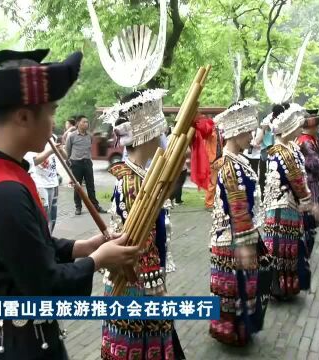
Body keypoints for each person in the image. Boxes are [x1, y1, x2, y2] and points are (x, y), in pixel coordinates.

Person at [0, 48, 139, 360]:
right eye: (52, 111)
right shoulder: (2, 191)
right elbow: (44, 284)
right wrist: (98, 260)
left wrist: (81, 247)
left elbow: (25, 249)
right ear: (24, 116)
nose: (55, 124)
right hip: (20, 346)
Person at [99, 88, 185, 359]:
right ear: (148, 131)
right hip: (138, 281)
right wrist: (155, 286)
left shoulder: (140, 176)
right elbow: (141, 242)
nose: (165, 135)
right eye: (161, 127)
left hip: (137, 277)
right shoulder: (135, 182)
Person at [209, 99, 272, 346]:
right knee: (234, 288)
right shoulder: (229, 166)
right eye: (248, 132)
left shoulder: (237, 161)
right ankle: (231, 333)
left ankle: (239, 330)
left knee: (241, 288)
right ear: (235, 133)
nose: (251, 136)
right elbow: (237, 209)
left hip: (240, 236)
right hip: (232, 239)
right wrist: (246, 245)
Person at [262, 104, 312, 299]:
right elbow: (298, 181)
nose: (301, 129)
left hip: (287, 204)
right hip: (283, 206)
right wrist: (307, 200)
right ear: (290, 128)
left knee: (286, 247)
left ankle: (283, 286)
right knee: (281, 248)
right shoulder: (284, 152)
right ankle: (278, 287)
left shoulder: (290, 148)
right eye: (299, 126)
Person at [296, 109, 319, 257]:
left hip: (314, 181)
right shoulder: (305, 141)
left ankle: (307, 239)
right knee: (310, 215)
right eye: (316, 126)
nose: (317, 129)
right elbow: (312, 162)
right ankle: (306, 245)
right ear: (310, 127)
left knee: (314, 210)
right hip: (309, 182)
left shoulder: (312, 139)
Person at [65, 115, 106, 215]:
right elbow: (68, 150)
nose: (86, 124)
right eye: (84, 122)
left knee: (90, 186)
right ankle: (78, 207)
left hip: (87, 163)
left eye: (87, 122)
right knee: (77, 187)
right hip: (76, 164)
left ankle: (95, 206)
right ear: (78, 123)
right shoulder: (72, 136)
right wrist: (71, 162)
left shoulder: (89, 136)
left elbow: (90, 146)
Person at [24, 132, 62, 234]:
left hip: (53, 182)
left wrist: (61, 150)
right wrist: (50, 151)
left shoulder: (52, 139)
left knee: (52, 215)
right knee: (43, 213)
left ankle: (49, 237)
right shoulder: (33, 140)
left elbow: (65, 157)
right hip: (40, 183)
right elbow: (34, 161)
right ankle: (43, 237)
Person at [256, 104, 285, 201]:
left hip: (271, 155)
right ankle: (269, 198)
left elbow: (258, 140)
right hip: (271, 155)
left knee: (269, 177)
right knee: (268, 177)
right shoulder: (269, 123)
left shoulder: (273, 123)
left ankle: (269, 198)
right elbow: (257, 141)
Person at [204, 120, 223, 211]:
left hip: (219, 158)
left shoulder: (219, 131)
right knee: (212, 183)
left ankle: (214, 202)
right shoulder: (210, 131)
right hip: (211, 159)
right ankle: (209, 204)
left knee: (216, 182)